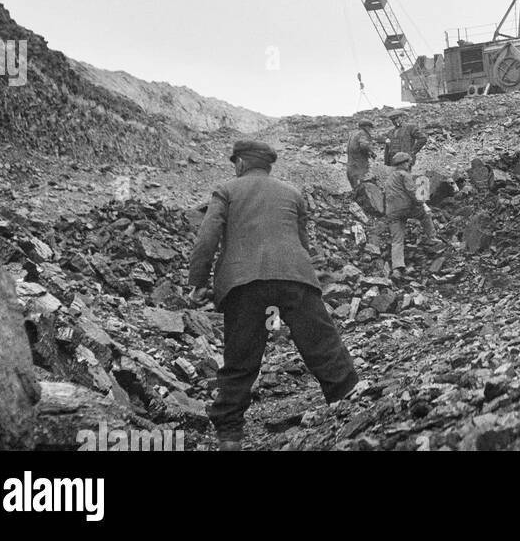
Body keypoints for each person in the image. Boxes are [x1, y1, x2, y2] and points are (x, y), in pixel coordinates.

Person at [187, 139, 359, 450]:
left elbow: (207, 237)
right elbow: (303, 242)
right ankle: (351, 411)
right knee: (322, 344)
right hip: (294, 276)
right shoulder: (291, 192)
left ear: (240, 164)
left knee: (240, 359)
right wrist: (301, 274)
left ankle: (229, 437)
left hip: (243, 282)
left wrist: (198, 281)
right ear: (267, 165)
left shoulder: (226, 190)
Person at [381, 151, 437, 280]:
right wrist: (423, 203)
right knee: (424, 215)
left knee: (397, 240)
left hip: (391, 212)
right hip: (405, 208)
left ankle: (397, 268)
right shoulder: (404, 174)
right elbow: (412, 192)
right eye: (407, 162)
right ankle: (432, 238)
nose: (409, 164)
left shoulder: (389, 178)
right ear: (403, 163)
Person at [345, 120, 383, 215]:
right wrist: (371, 152)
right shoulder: (363, 133)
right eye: (369, 128)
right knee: (362, 184)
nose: (370, 130)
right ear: (366, 127)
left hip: (351, 164)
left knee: (354, 185)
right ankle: (366, 207)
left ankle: (355, 204)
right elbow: (364, 145)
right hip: (359, 164)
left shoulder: (353, 134)